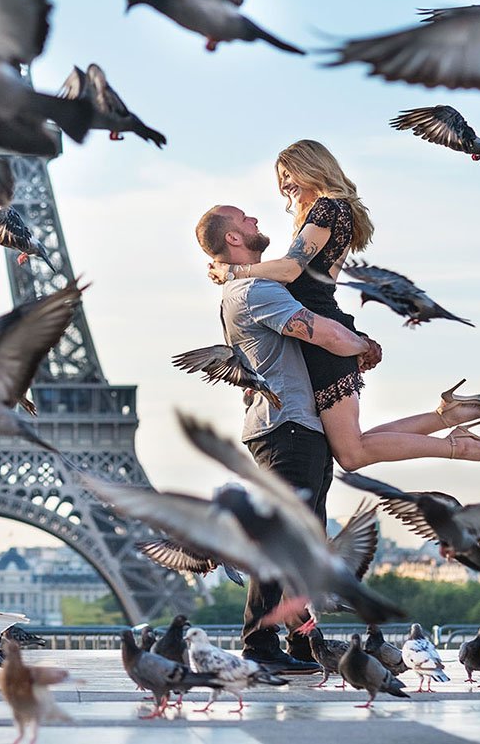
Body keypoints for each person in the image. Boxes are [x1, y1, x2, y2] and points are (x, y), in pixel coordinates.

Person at [208, 140, 480, 471]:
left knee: (352, 453)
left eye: (288, 175)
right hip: (321, 328)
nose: (285, 187)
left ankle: (458, 445)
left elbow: (292, 269)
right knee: (351, 446)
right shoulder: (332, 212)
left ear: (311, 168)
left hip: (322, 334)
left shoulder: (327, 209)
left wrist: (234, 271)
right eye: (281, 180)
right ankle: (447, 417)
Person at [196, 203, 369, 670]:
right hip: (286, 427)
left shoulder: (250, 286)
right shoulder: (254, 290)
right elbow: (325, 334)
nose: (255, 219)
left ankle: (296, 641)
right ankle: (261, 646)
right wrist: (364, 346)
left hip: (290, 426)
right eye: (245, 220)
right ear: (233, 239)